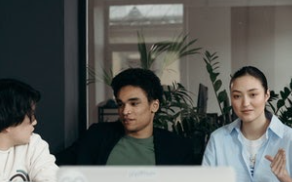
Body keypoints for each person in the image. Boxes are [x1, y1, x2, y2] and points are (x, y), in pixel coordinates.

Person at [202, 66, 292, 182]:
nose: (245, 103)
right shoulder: (218, 140)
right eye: (237, 96)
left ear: (267, 95)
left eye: (253, 94)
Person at [56, 68, 194, 165]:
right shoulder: (97, 136)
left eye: (134, 103)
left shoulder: (178, 148)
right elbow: (55, 165)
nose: (125, 111)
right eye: (120, 104)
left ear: (154, 105)